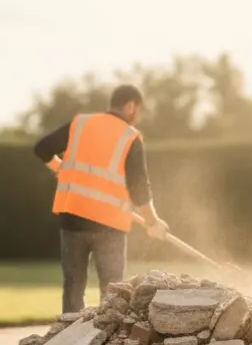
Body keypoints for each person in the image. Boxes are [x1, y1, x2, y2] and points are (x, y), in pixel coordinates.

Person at [33, 84, 170, 313]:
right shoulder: (130, 136)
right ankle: (106, 344)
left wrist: (59, 167)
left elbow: (42, 148)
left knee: (73, 287)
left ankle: (69, 339)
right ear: (130, 106)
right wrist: (153, 222)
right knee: (113, 292)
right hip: (109, 226)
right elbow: (139, 188)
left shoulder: (81, 123)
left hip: (72, 219)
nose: (138, 117)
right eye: (139, 111)